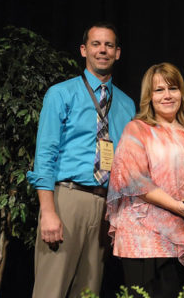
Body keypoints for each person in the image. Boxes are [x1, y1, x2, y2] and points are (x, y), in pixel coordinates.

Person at [27, 22, 136, 297]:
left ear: (118, 53)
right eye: (96, 44)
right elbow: (45, 155)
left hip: (105, 208)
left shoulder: (126, 104)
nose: (103, 50)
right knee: (50, 290)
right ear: (83, 50)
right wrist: (49, 211)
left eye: (109, 45)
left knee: (89, 291)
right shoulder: (61, 93)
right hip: (67, 198)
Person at [106, 62, 184, 298]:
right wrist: (177, 206)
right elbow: (133, 180)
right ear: (149, 96)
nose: (167, 95)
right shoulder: (138, 129)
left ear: (181, 93)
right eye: (159, 90)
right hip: (146, 240)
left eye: (173, 88)